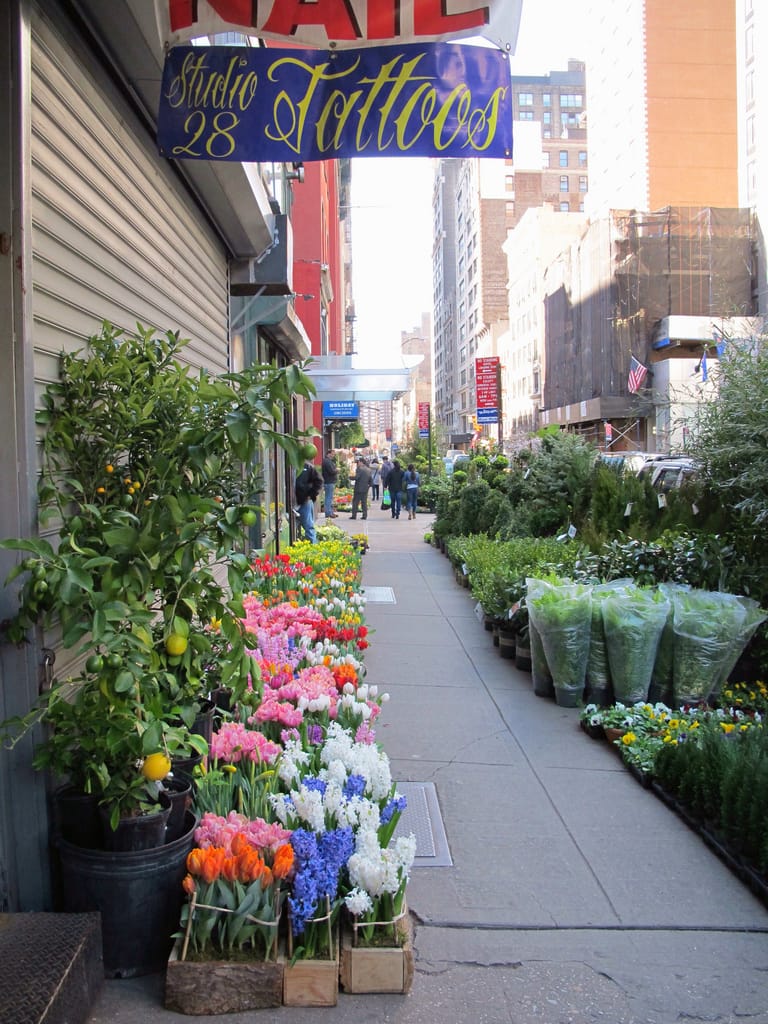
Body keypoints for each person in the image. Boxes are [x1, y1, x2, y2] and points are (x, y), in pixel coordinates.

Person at [294, 459, 323, 543]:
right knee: (295, 526)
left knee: (308, 526)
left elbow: (319, 481)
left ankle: (312, 548)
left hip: (304, 501)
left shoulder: (307, 467)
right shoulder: (286, 466)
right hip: (289, 503)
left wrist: (311, 495)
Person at [321, 448, 339, 520]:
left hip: (329, 482)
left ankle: (330, 512)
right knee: (328, 498)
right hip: (329, 482)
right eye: (332, 454)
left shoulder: (328, 461)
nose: (333, 455)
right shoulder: (327, 461)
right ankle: (328, 513)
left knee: (330, 498)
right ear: (328, 454)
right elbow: (331, 471)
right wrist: (337, 470)